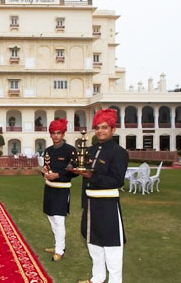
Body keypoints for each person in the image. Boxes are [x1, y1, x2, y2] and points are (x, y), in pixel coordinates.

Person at [77, 109, 128, 283]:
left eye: (104, 127)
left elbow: (117, 180)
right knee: (93, 244)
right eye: (97, 127)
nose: (100, 131)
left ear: (113, 129)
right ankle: (97, 278)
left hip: (107, 204)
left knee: (112, 247)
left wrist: (92, 176)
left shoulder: (119, 152)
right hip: (90, 203)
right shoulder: (90, 150)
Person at [41, 118, 78, 262]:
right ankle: (58, 244)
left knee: (59, 219)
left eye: (58, 133)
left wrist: (58, 175)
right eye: (53, 133)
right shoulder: (48, 151)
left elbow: (74, 171)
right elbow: (46, 168)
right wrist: (44, 171)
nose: (56, 136)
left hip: (62, 189)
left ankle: (60, 250)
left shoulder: (70, 150)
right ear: (50, 134)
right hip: (49, 187)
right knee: (51, 218)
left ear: (63, 134)